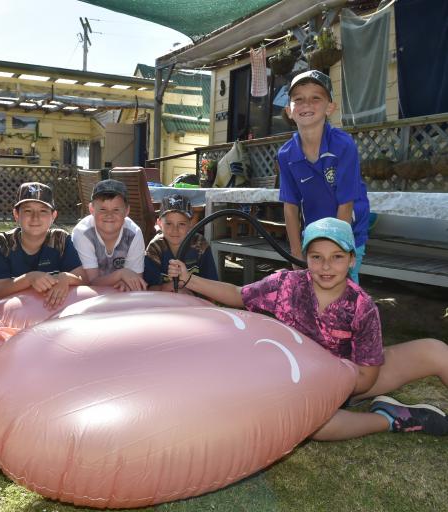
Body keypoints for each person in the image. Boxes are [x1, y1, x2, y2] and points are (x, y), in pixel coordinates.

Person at [168, 217, 448, 440]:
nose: (326, 266)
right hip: (299, 386)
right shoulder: (285, 284)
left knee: (436, 351)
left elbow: (366, 376)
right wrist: (189, 279)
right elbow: (238, 294)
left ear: (352, 259)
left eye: (337, 257)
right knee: (313, 427)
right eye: (317, 257)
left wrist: (336, 385)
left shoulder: (363, 306)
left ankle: (344, 407)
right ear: (306, 258)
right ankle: (388, 419)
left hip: (350, 381)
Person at [278, 70, 370, 283]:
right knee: (311, 291)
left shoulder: (343, 145)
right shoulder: (285, 154)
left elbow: (346, 204)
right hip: (314, 234)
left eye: (315, 98)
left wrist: (337, 252)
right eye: (298, 99)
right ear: (289, 111)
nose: (306, 104)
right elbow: (290, 206)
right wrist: (295, 253)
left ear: (330, 107)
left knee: (343, 289)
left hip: (348, 233)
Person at [0, 182, 85, 306]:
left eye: (43, 211)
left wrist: (66, 278)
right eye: (28, 211)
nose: (35, 217)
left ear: (53, 216)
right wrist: (29, 278)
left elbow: (83, 280)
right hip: (8, 317)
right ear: (16, 214)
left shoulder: (60, 240)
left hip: (48, 313)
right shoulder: (1, 243)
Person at [71, 179, 146, 291]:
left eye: (116, 210)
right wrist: (120, 275)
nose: (109, 215)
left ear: (126, 211)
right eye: (102, 209)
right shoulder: (83, 233)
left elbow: (136, 280)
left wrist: (127, 283)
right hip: (88, 294)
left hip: (119, 293)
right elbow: (91, 281)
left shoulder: (134, 233)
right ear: (91, 209)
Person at [144, 194, 218, 292]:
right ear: (159, 224)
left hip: (196, 303)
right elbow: (147, 288)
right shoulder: (155, 248)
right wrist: (165, 288)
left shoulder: (200, 245)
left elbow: (212, 286)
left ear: (191, 224)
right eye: (169, 224)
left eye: (181, 224)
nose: (175, 230)